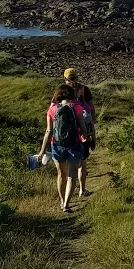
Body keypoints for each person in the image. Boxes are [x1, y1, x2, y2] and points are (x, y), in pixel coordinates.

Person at [40, 84, 88, 214]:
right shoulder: (77, 107)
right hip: (74, 145)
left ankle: (61, 202)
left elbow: (48, 131)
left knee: (61, 174)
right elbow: (82, 126)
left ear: (58, 95)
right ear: (71, 95)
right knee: (72, 176)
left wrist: (42, 151)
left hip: (57, 145)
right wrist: (86, 137)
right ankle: (66, 204)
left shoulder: (52, 110)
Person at [63, 67, 97, 198]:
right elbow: (92, 108)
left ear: (64, 78)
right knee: (82, 162)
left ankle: (66, 192)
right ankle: (82, 190)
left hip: (66, 132)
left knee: (67, 163)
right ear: (77, 77)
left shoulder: (61, 91)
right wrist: (91, 125)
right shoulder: (84, 89)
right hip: (83, 131)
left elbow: (53, 109)